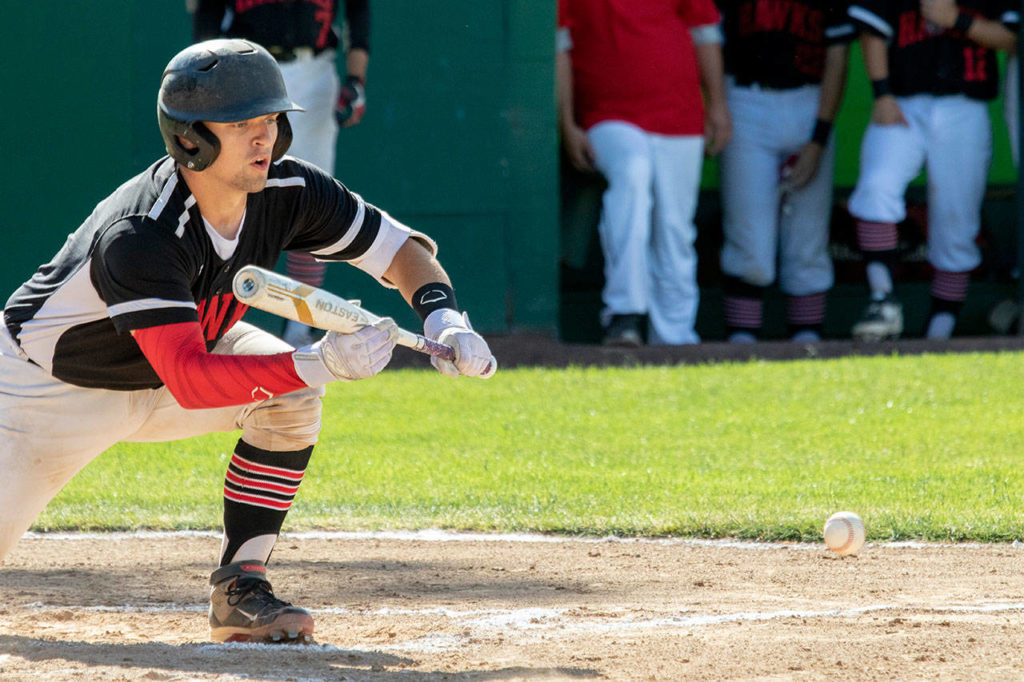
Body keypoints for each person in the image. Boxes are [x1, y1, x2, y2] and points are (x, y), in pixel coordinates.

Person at [0, 39, 495, 644]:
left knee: (289, 400)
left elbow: (398, 250)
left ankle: (241, 589)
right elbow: (189, 378)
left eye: (270, 120)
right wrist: (318, 361)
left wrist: (445, 318)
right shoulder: (143, 234)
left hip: (179, 358)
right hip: (46, 393)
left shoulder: (289, 192)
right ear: (189, 138)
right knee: (295, 378)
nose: (265, 137)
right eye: (242, 124)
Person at [192, 0, 371, 348]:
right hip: (243, 71)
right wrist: (204, 79)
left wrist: (356, 78)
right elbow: (206, 11)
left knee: (313, 205)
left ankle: (299, 328)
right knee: (225, 198)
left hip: (313, 68)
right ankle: (208, 315)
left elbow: (358, 10)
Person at [556, 0, 731, 347]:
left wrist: (718, 106)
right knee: (633, 178)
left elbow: (705, 33)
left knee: (675, 227)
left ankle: (675, 335)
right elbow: (560, 45)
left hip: (680, 116)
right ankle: (625, 315)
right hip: (609, 114)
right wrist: (568, 124)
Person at [845, 0, 1017, 341]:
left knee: (957, 222)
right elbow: (871, 28)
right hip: (903, 100)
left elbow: (1012, 38)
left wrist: (957, 19)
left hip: (966, 106)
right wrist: (881, 93)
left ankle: (939, 333)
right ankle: (882, 298)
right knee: (877, 186)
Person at [716, 1, 855, 344]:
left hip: (810, 101)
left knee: (808, 240)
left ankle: (806, 344)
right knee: (748, 241)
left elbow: (838, 57)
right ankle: (741, 346)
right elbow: (711, 47)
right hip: (747, 99)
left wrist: (818, 139)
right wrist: (716, 110)